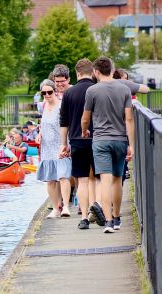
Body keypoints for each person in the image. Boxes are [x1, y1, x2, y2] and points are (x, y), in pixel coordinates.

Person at [81, 57, 135, 233]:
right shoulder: (124, 89)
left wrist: (84, 131)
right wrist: (131, 144)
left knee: (105, 180)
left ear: (96, 72)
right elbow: (129, 118)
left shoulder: (92, 90)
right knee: (118, 179)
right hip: (120, 139)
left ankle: (109, 222)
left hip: (101, 141)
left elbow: (85, 118)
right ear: (112, 70)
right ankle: (118, 217)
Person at [59, 58, 106, 229]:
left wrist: (64, 144)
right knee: (100, 178)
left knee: (83, 180)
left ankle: (84, 218)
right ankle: (99, 206)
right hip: (97, 138)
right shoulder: (97, 90)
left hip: (77, 140)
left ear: (77, 73)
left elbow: (63, 121)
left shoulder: (69, 94)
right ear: (92, 72)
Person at [36, 79, 72, 218]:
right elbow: (43, 124)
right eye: (43, 92)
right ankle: (56, 207)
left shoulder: (62, 106)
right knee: (50, 179)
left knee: (63, 177)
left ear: (54, 91)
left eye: (49, 92)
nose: (46, 94)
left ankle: (66, 207)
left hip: (60, 145)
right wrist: (39, 134)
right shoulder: (44, 106)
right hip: (47, 147)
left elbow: (67, 124)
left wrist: (67, 144)